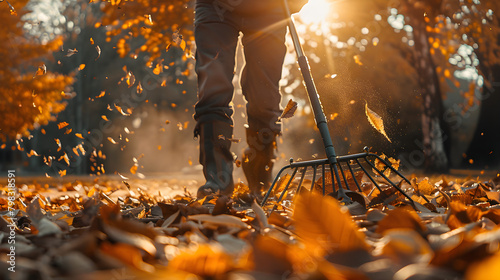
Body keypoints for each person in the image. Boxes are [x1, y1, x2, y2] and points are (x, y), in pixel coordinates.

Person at [194, 0, 307, 198]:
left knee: (265, 99)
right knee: (213, 89)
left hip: (270, 9)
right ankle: (217, 179)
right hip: (215, 7)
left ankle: (260, 175)